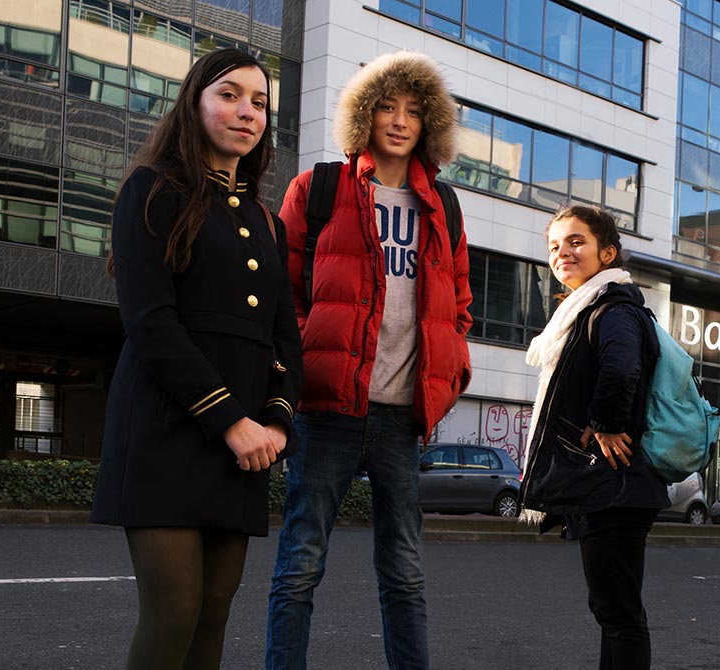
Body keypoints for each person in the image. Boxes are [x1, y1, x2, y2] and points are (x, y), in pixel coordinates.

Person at [91, 48, 302, 669]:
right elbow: (150, 322)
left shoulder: (266, 218)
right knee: (174, 610)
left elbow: (283, 339)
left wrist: (277, 422)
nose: (247, 112)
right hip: (166, 429)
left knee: (213, 615)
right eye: (229, 95)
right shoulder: (150, 189)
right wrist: (231, 421)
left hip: (243, 449)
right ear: (195, 102)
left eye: (259, 102)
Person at [265, 51, 472, 670]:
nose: (400, 120)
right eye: (387, 105)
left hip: (400, 418)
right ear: (365, 113)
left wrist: (448, 371)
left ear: (430, 123)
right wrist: (302, 362)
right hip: (326, 408)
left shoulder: (444, 206)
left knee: (404, 574)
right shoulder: (319, 188)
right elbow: (283, 291)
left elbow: (459, 307)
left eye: (414, 110)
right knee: (300, 564)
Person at [519, 204, 671, 670]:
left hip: (616, 487)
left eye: (576, 242)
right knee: (613, 611)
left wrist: (607, 423)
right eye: (554, 246)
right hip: (610, 488)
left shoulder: (613, 307)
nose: (562, 252)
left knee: (618, 614)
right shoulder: (587, 309)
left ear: (607, 253)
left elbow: (621, 367)